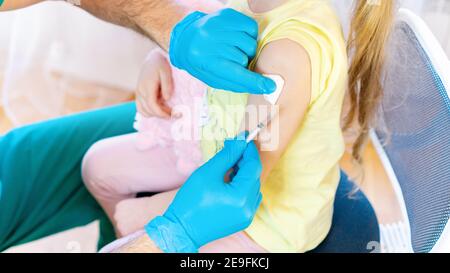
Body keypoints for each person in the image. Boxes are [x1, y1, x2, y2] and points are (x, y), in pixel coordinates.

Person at [83, 0, 389, 253]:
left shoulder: (288, 54)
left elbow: (241, 178)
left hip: (265, 220)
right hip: (210, 145)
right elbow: (197, 20)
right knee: (97, 168)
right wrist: (159, 57)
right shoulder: (253, 3)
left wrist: (152, 214)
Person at [0, 0, 275, 252]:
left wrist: (166, 43)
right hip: (201, 148)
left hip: (190, 129)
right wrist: (169, 232)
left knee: (95, 164)